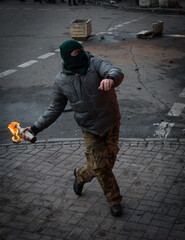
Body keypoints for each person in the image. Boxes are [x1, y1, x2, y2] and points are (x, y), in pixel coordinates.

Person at [26, 40, 124, 217]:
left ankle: (80, 175)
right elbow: (55, 108)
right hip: (90, 128)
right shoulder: (61, 81)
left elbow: (114, 71)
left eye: (81, 50)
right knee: (101, 167)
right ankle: (114, 200)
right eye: (75, 52)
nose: (80, 53)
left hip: (111, 122)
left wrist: (110, 79)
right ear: (66, 56)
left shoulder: (95, 64)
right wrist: (34, 128)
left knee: (106, 163)